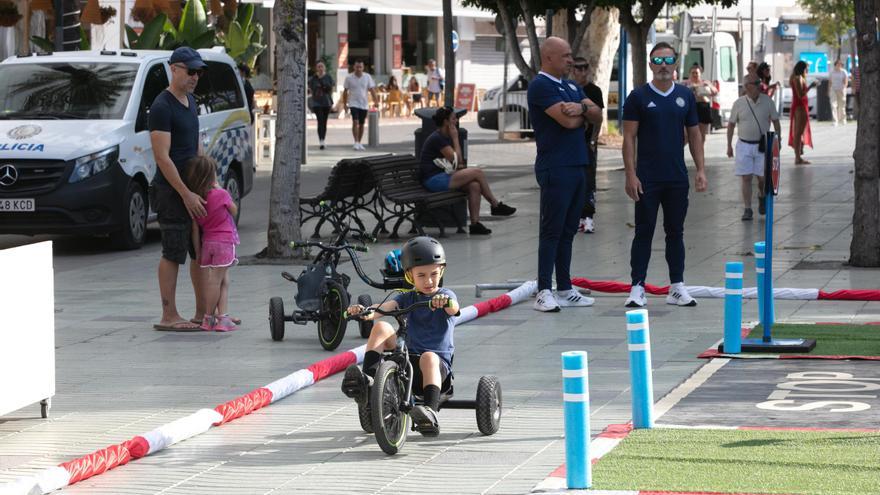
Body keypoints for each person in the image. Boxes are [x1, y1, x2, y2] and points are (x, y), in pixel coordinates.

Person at [342, 236, 458, 436]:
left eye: (434, 274)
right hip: (408, 363)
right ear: (410, 276)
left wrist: (444, 302)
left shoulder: (446, 295)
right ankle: (368, 381)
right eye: (421, 275)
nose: (429, 280)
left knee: (428, 357)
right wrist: (364, 310)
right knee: (381, 328)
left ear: (442, 272)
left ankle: (430, 412)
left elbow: (454, 307)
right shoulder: (406, 298)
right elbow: (384, 308)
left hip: (435, 369)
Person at [622, 42, 708, 309]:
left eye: (668, 60)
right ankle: (637, 287)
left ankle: (677, 287)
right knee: (644, 232)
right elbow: (628, 138)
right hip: (647, 178)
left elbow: (694, 134)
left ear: (675, 64)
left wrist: (701, 170)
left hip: (676, 178)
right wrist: (630, 175)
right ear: (650, 65)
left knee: (676, 232)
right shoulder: (637, 97)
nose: (663, 65)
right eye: (657, 61)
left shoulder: (685, 95)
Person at [527, 36, 601, 312]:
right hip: (556, 167)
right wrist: (584, 114)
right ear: (549, 58)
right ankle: (544, 290)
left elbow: (598, 114)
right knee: (551, 230)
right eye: (566, 56)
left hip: (579, 165)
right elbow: (568, 122)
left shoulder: (570, 86)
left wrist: (582, 108)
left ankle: (566, 287)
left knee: (569, 230)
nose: (571, 60)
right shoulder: (540, 86)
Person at [150, 47, 209, 332]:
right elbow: (163, 157)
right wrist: (185, 193)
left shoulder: (191, 101)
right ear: (173, 69)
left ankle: (202, 313)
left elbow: (195, 147)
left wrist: (208, 184)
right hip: (172, 191)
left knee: (199, 251)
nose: (195, 77)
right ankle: (168, 315)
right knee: (173, 251)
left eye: (198, 72)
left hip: (194, 188)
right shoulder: (162, 106)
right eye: (190, 71)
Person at [419, 106, 516, 235]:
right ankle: (495, 205)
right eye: (453, 119)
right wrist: (455, 138)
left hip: (443, 176)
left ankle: (475, 224)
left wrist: (454, 141)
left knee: (474, 185)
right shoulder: (438, 138)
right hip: (433, 180)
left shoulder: (444, 136)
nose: (456, 121)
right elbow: (457, 161)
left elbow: (459, 166)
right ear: (446, 122)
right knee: (477, 172)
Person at [184, 156, 239, 332]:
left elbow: (194, 230)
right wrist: (221, 188)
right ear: (211, 176)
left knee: (223, 280)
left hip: (207, 243)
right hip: (224, 241)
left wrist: (198, 252)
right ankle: (209, 318)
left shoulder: (195, 202)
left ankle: (223, 315)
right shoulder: (220, 194)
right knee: (215, 281)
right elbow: (234, 209)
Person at [726, 74, 781, 221]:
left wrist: (778, 141)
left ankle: (761, 195)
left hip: (762, 145)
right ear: (746, 86)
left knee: (762, 178)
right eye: (754, 83)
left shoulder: (767, 101)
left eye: (758, 82)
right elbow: (731, 125)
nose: (758, 85)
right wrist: (729, 146)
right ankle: (747, 208)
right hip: (744, 145)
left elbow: (776, 121)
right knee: (746, 178)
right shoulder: (739, 103)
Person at [572, 57, 604, 234]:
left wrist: (593, 139)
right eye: (579, 68)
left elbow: (599, 118)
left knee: (589, 180)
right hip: (572, 142)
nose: (583, 71)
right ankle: (578, 217)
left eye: (585, 68)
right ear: (573, 70)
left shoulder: (594, 91)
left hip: (587, 142)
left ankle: (589, 217)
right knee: (575, 180)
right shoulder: (569, 89)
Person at [342, 59, 378, 151]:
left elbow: (372, 90)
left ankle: (359, 142)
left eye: (360, 67)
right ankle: (356, 142)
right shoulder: (349, 77)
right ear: (354, 67)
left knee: (362, 124)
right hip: (353, 103)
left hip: (364, 104)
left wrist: (376, 101)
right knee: (355, 121)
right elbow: (345, 91)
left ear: (363, 68)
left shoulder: (367, 77)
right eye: (357, 67)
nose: (358, 69)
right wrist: (345, 104)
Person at [789, 61, 816, 165]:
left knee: (798, 132)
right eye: (806, 69)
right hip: (800, 106)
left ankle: (798, 155)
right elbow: (800, 94)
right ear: (802, 69)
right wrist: (811, 86)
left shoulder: (793, 77)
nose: (807, 71)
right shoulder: (798, 78)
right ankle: (797, 157)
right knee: (798, 132)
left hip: (798, 105)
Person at [687, 64, 718, 144]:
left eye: (696, 73)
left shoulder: (705, 82)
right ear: (689, 74)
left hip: (703, 107)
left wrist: (709, 87)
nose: (695, 75)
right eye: (693, 73)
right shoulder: (686, 84)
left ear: (700, 73)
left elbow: (715, 92)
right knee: (688, 133)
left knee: (702, 133)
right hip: (691, 107)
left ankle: (700, 149)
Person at [308, 61, 334, 150]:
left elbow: (331, 89)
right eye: (318, 67)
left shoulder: (328, 77)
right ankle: (321, 141)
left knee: (324, 122)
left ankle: (323, 139)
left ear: (324, 68)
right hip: (317, 103)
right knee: (320, 121)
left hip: (326, 102)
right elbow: (311, 89)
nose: (320, 68)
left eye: (322, 66)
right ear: (316, 68)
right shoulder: (313, 79)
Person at [829, 59, 849, 126]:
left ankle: (843, 120)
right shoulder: (832, 72)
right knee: (833, 105)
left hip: (841, 90)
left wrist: (844, 88)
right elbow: (830, 81)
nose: (839, 65)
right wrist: (828, 90)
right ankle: (835, 121)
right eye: (838, 64)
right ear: (835, 65)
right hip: (833, 90)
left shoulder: (844, 72)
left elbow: (846, 81)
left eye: (840, 64)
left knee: (842, 106)